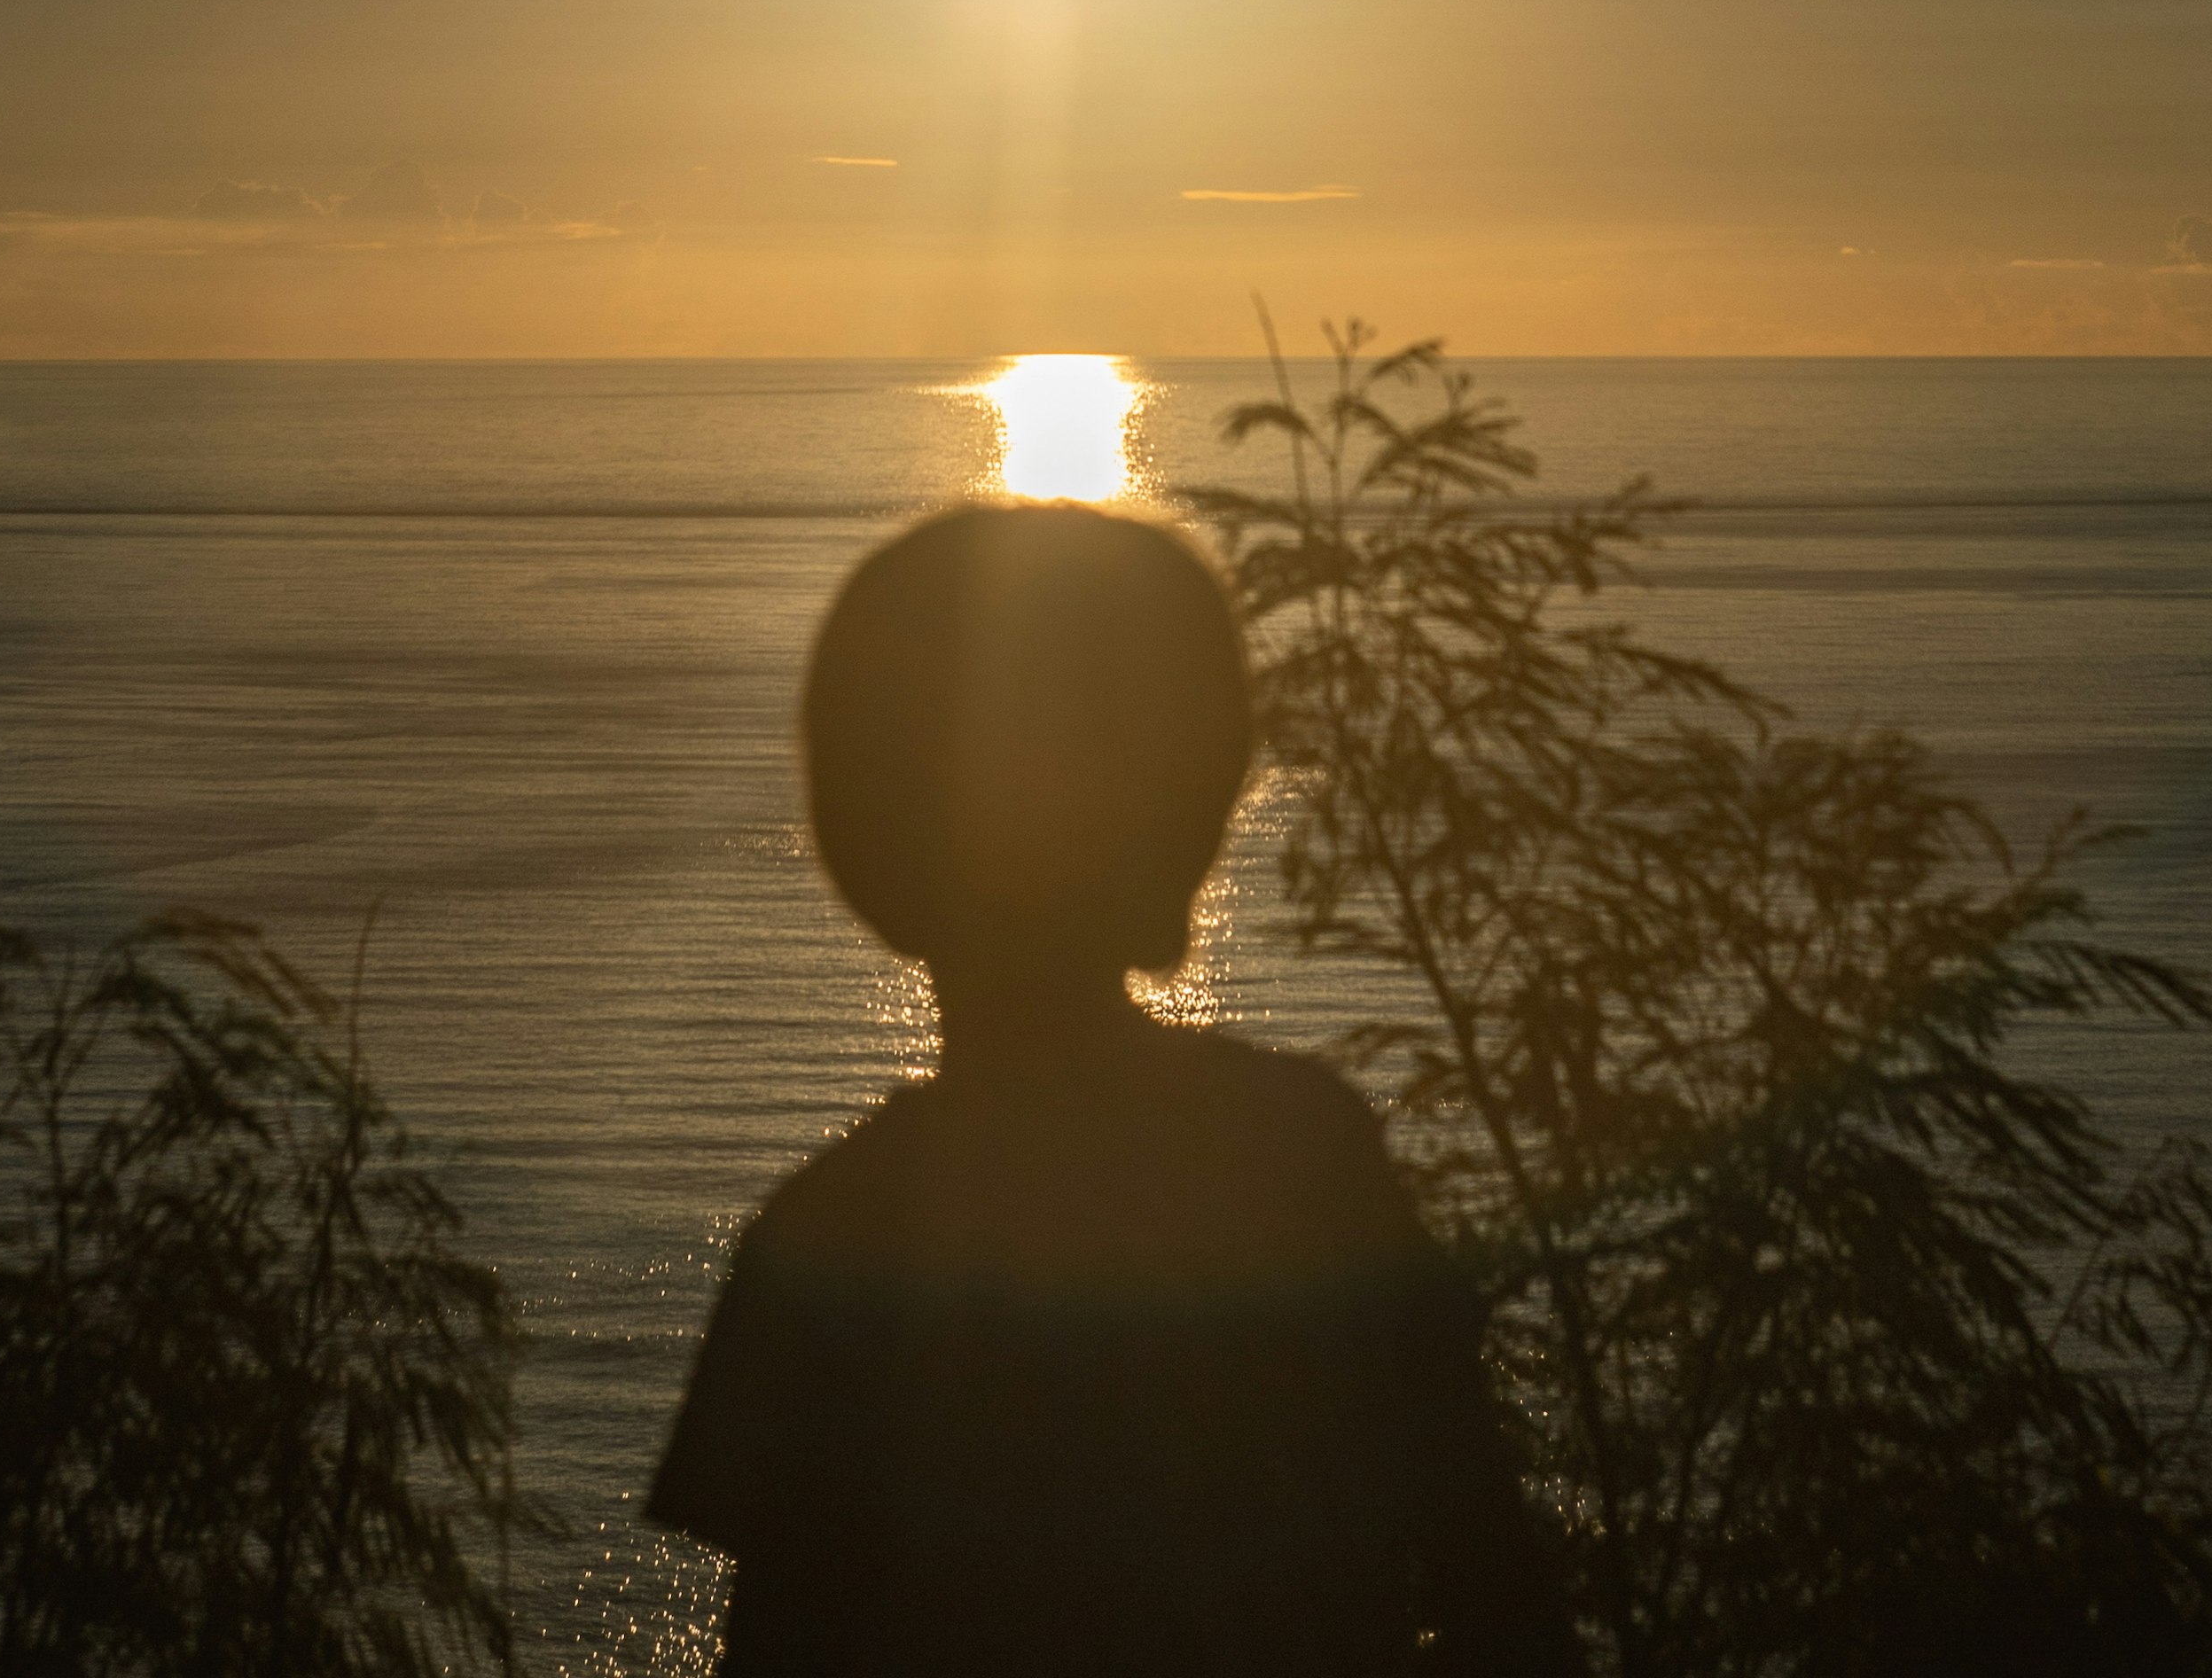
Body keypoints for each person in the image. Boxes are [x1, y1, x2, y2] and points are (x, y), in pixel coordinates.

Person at [649, 494, 1575, 1673]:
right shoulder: (1299, 1151)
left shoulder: (833, 1234)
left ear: (866, 846)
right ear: (1191, 812)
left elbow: (788, 1641)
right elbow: (1495, 1583)